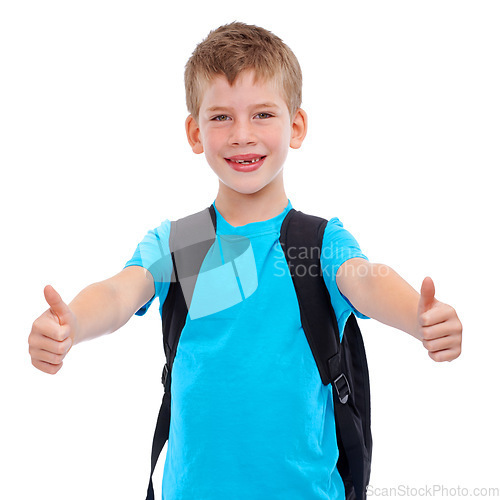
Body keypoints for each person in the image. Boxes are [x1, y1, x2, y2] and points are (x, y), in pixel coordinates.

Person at [28, 22, 462, 500]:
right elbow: (118, 292)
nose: (241, 135)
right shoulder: (182, 242)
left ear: (295, 126)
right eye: (220, 118)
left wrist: (418, 319)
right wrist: (72, 324)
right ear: (195, 132)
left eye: (262, 114)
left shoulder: (316, 242)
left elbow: (368, 280)